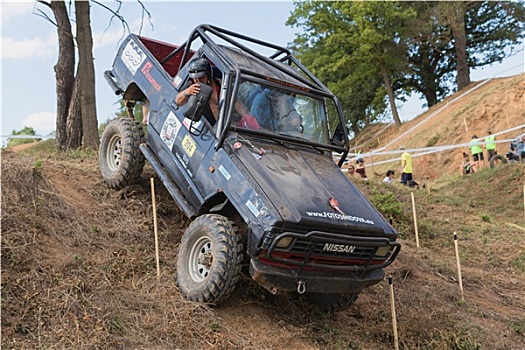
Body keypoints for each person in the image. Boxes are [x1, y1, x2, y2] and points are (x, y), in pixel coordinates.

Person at [176, 57, 220, 123]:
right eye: (195, 78)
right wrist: (187, 92)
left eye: (201, 77)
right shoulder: (192, 86)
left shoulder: (219, 84)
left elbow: (236, 102)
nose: (198, 81)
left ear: (208, 74)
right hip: (209, 126)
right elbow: (178, 101)